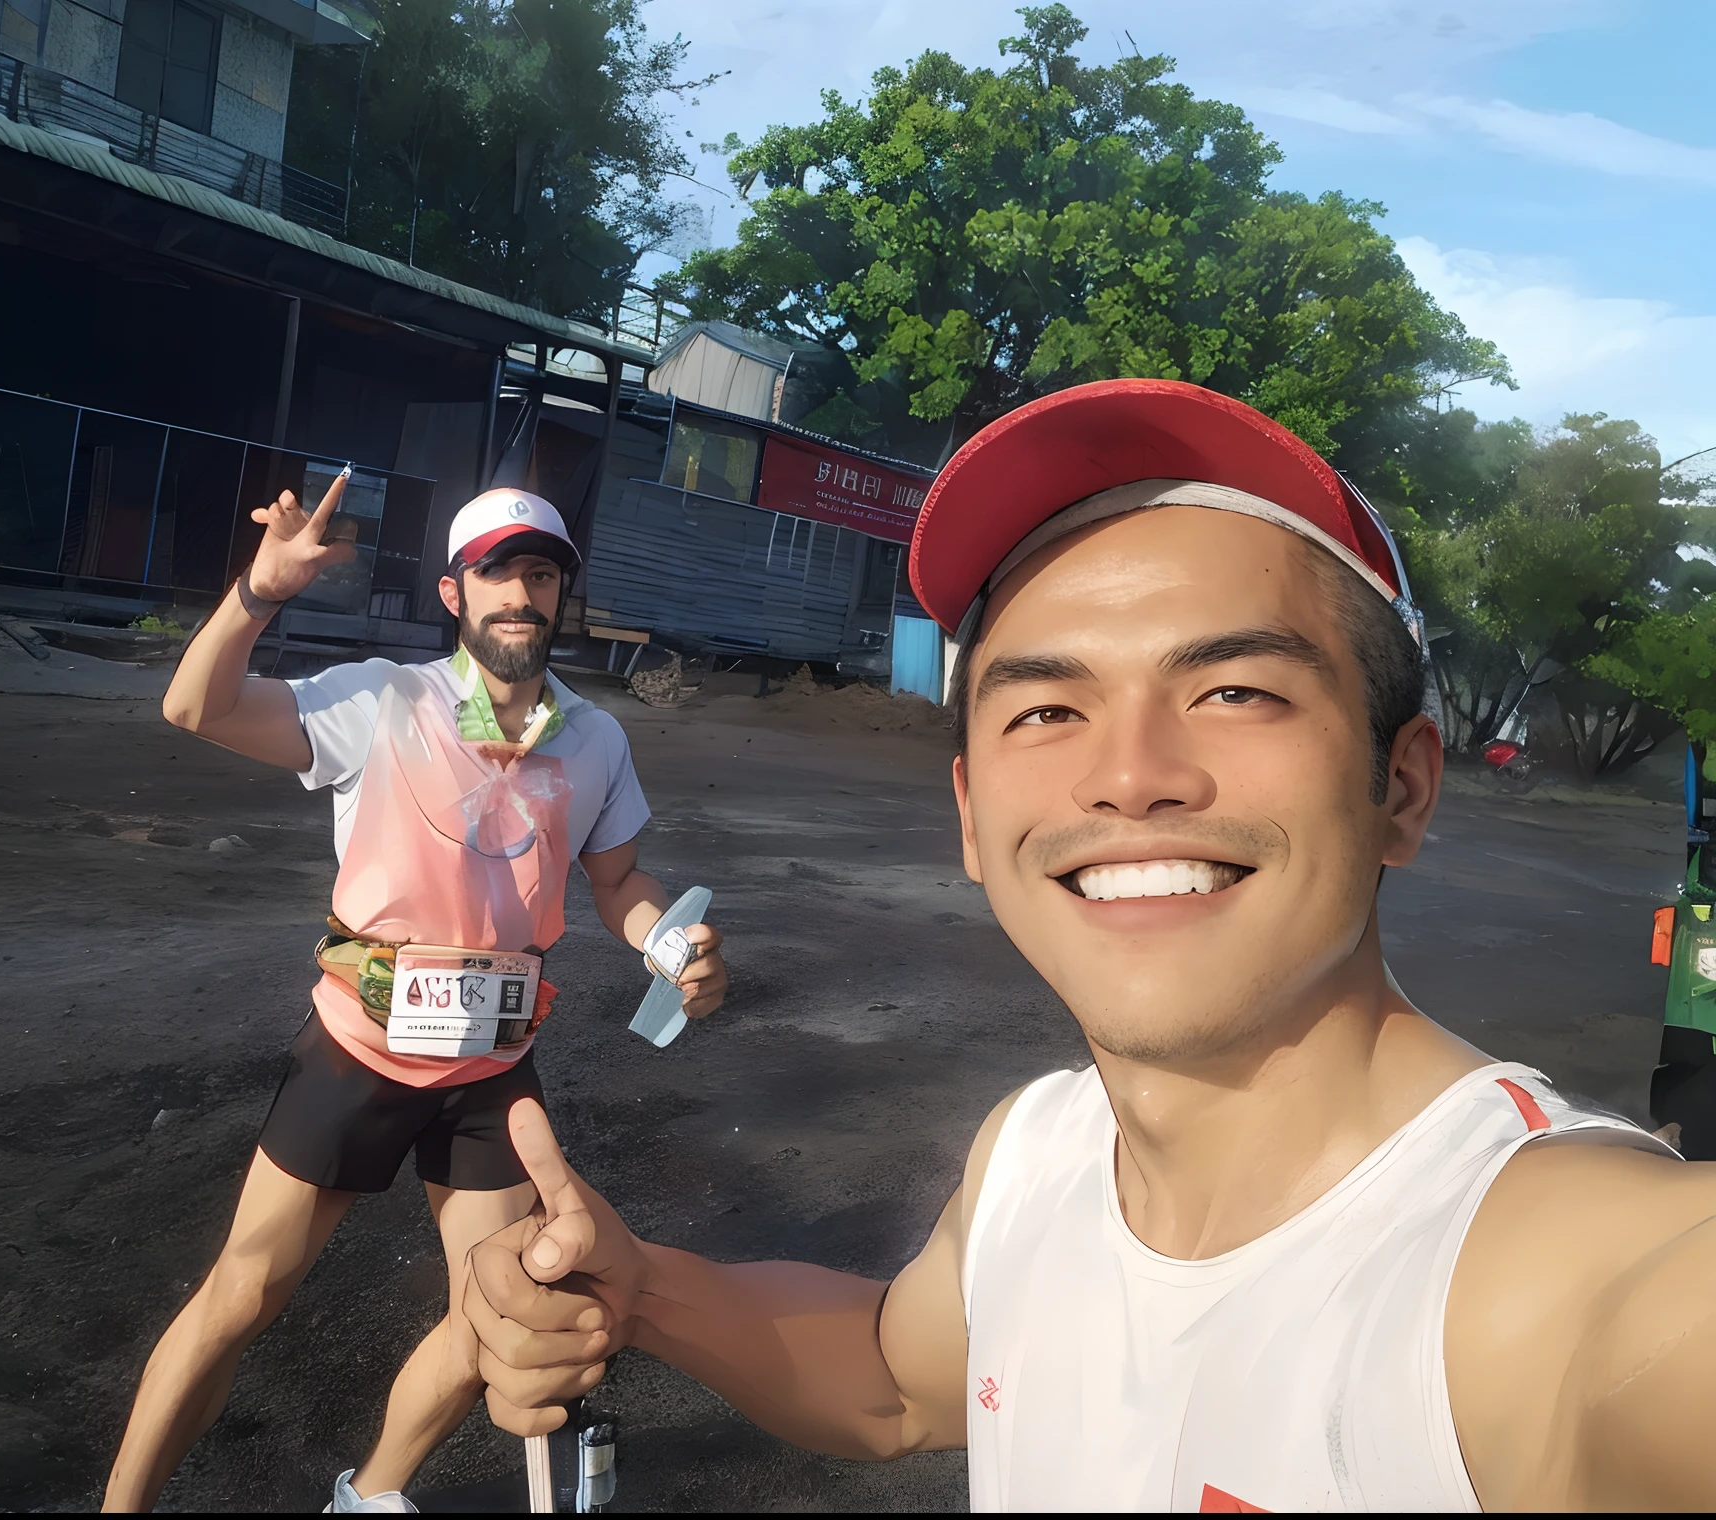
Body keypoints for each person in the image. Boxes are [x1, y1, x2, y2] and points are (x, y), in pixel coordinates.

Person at [458, 379, 1716, 1512]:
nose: (1128, 774)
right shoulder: (1034, 1151)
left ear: (1399, 783)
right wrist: (642, 1285)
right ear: (967, 814)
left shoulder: (1569, 1280)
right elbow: (898, 1380)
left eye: (1233, 689)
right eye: (1048, 706)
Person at [101, 476, 727, 1513]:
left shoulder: (594, 740)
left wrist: (668, 940)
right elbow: (193, 705)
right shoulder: (382, 701)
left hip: (490, 1064)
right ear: (453, 592)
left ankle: (370, 1494)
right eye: (497, 574)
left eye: (540, 574)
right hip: (359, 1049)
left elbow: (616, 881)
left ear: (560, 595)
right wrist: (257, 593)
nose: (520, 593)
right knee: (244, 1291)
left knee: (495, 1310)